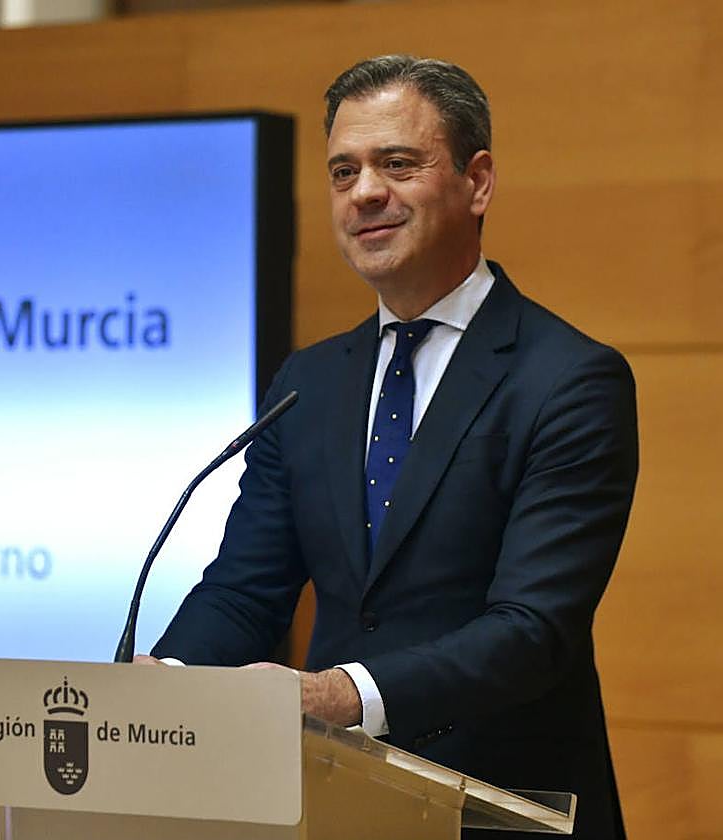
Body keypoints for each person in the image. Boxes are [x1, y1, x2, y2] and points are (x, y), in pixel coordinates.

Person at [144, 55, 638, 840]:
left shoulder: (569, 380)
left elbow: (531, 630)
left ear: (477, 182)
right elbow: (246, 590)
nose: (365, 191)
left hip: (504, 808)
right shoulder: (309, 381)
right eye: (344, 172)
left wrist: (342, 694)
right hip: (330, 806)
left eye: (397, 164)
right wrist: (163, 685)